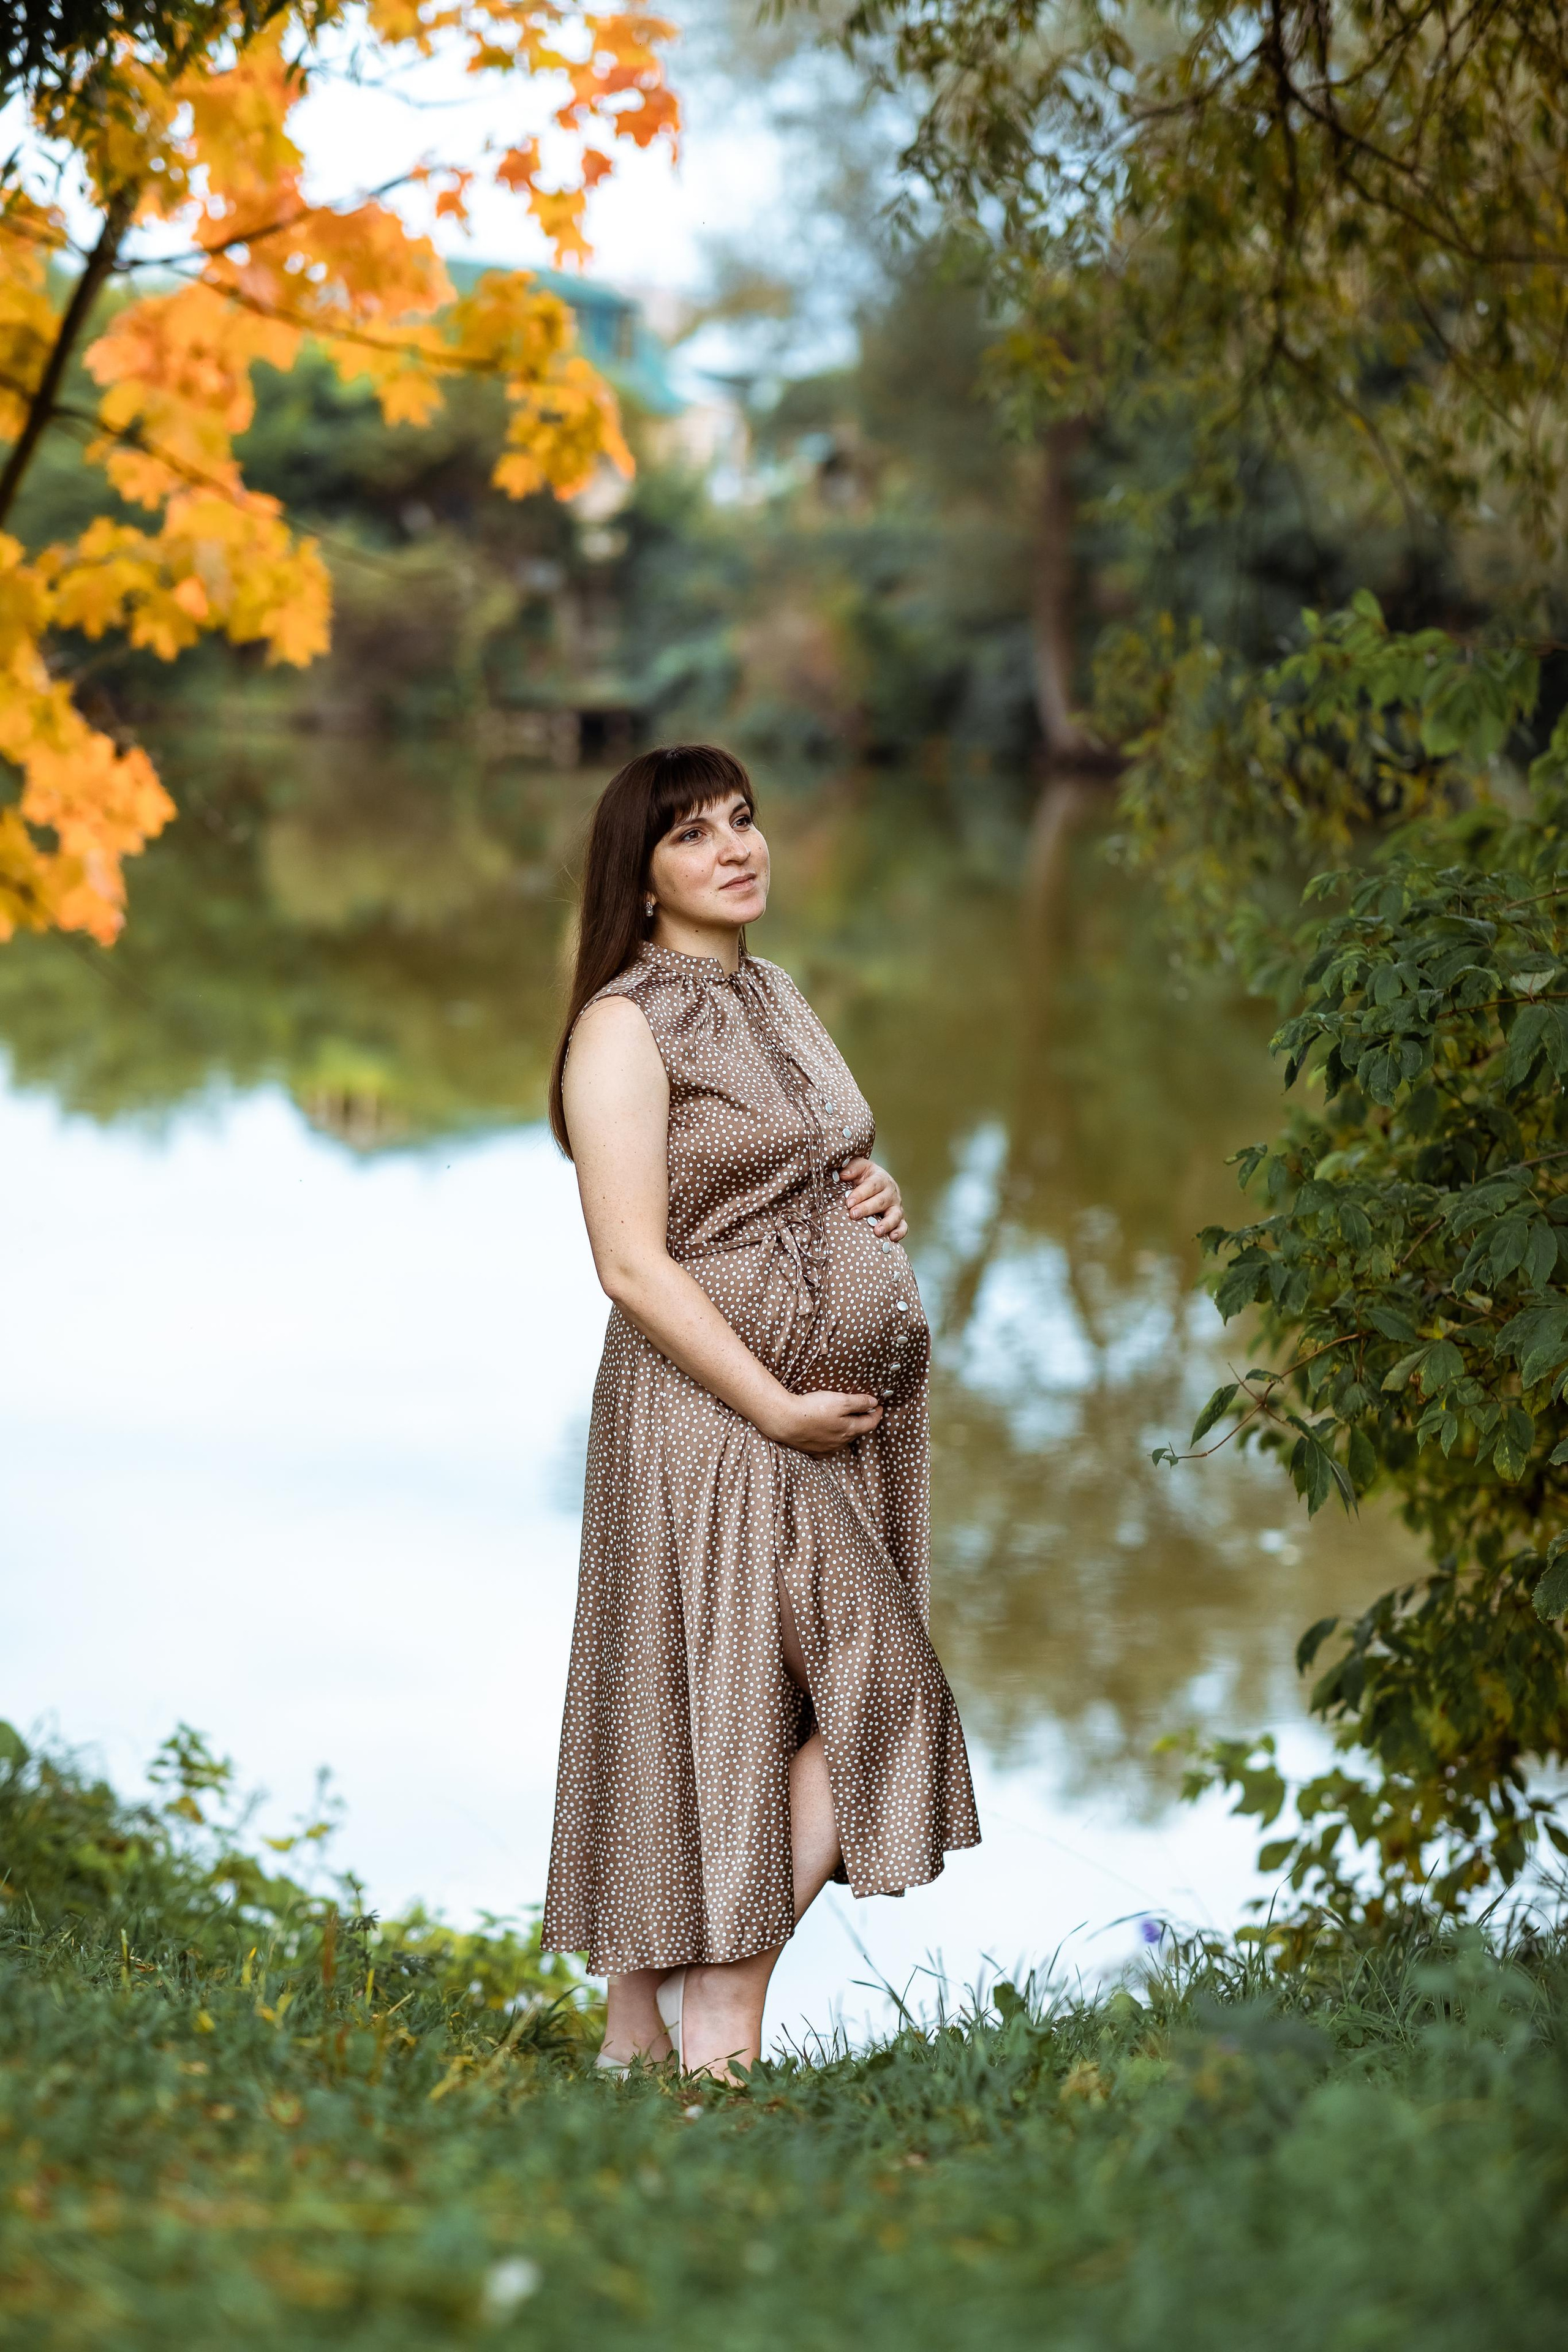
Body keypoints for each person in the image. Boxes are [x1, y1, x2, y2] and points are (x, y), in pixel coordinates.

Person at [541, 744, 979, 2079]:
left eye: (742, 820)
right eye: (692, 834)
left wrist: (873, 1193)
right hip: (715, 1415)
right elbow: (629, 1261)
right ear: (642, 873)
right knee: (856, 1695)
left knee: (745, 1709)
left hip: (822, 1417)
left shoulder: (775, 991)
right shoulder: (622, 1025)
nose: (735, 848)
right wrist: (774, 1406)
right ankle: (713, 2019)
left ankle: (637, 2041)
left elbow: (805, 1156)